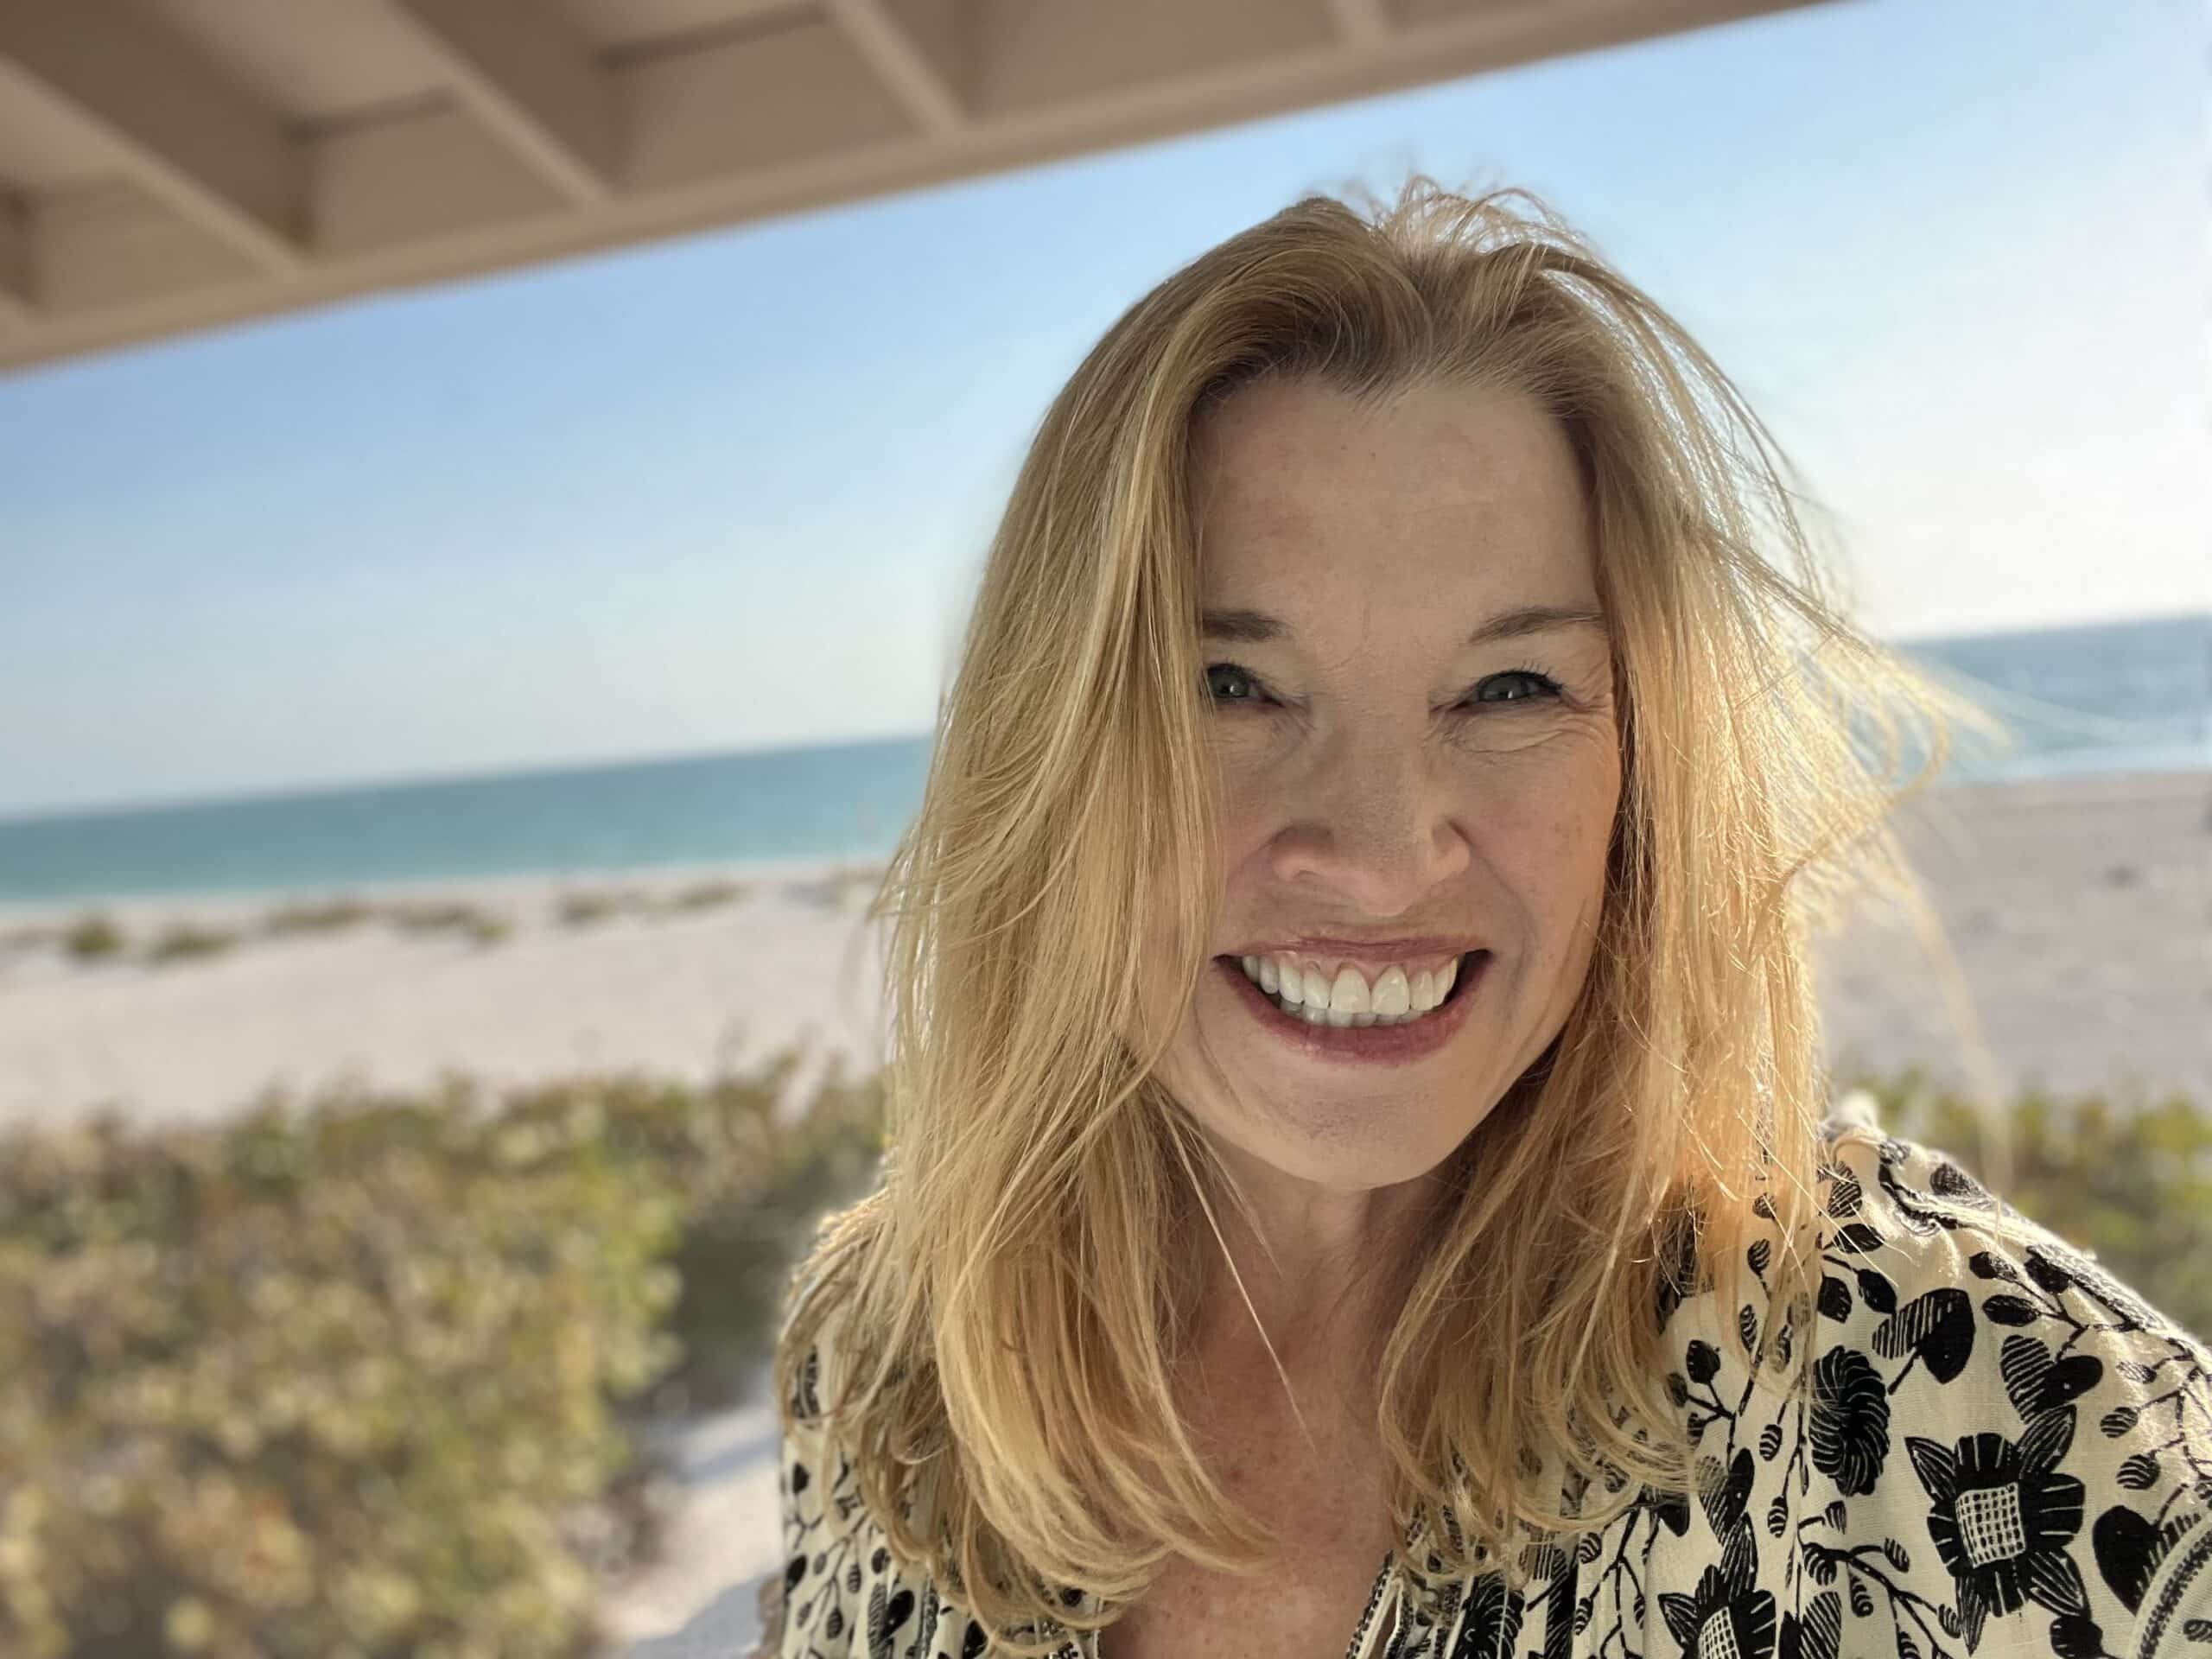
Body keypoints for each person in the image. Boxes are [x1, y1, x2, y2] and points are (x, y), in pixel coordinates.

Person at [749, 178, 2212, 1659]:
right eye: (1228, 687)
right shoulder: (880, 1365)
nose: (1384, 859)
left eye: (1510, 688)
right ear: (1042, 752)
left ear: (1644, 769)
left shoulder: (1954, 1390)